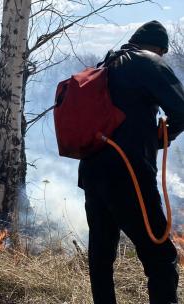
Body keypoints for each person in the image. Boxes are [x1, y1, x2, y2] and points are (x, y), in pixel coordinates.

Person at [79, 20, 184, 304]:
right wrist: (161, 138)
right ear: (157, 48)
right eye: (161, 52)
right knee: (162, 258)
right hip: (129, 175)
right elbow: (182, 109)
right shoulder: (147, 62)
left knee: (101, 257)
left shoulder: (105, 64)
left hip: (91, 173)